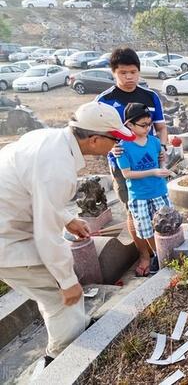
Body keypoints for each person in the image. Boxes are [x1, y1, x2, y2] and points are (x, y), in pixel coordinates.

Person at [0, 102, 134, 367]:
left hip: (12, 226)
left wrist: (68, 218)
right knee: (63, 297)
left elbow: (34, 191)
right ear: (95, 139)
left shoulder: (48, 138)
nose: (119, 144)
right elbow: (47, 234)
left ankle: (74, 336)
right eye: (115, 138)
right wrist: (67, 279)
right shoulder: (58, 167)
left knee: (56, 295)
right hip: (10, 239)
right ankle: (61, 362)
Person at [96, 47, 168, 277]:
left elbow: (161, 128)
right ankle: (144, 255)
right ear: (114, 73)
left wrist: (163, 148)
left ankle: (163, 251)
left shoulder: (150, 96)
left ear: (139, 71)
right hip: (122, 164)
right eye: (123, 72)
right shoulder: (105, 100)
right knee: (133, 209)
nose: (129, 77)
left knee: (160, 206)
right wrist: (111, 147)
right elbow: (97, 136)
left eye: (133, 72)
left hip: (150, 159)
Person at [116, 103, 172, 269]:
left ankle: (168, 253)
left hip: (159, 191)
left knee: (166, 225)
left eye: (149, 124)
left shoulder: (154, 142)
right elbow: (127, 174)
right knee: (146, 229)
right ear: (130, 125)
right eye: (143, 125)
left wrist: (162, 166)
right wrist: (153, 172)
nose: (148, 128)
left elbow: (161, 158)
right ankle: (158, 255)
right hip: (139, 196)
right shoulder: (122, 147)